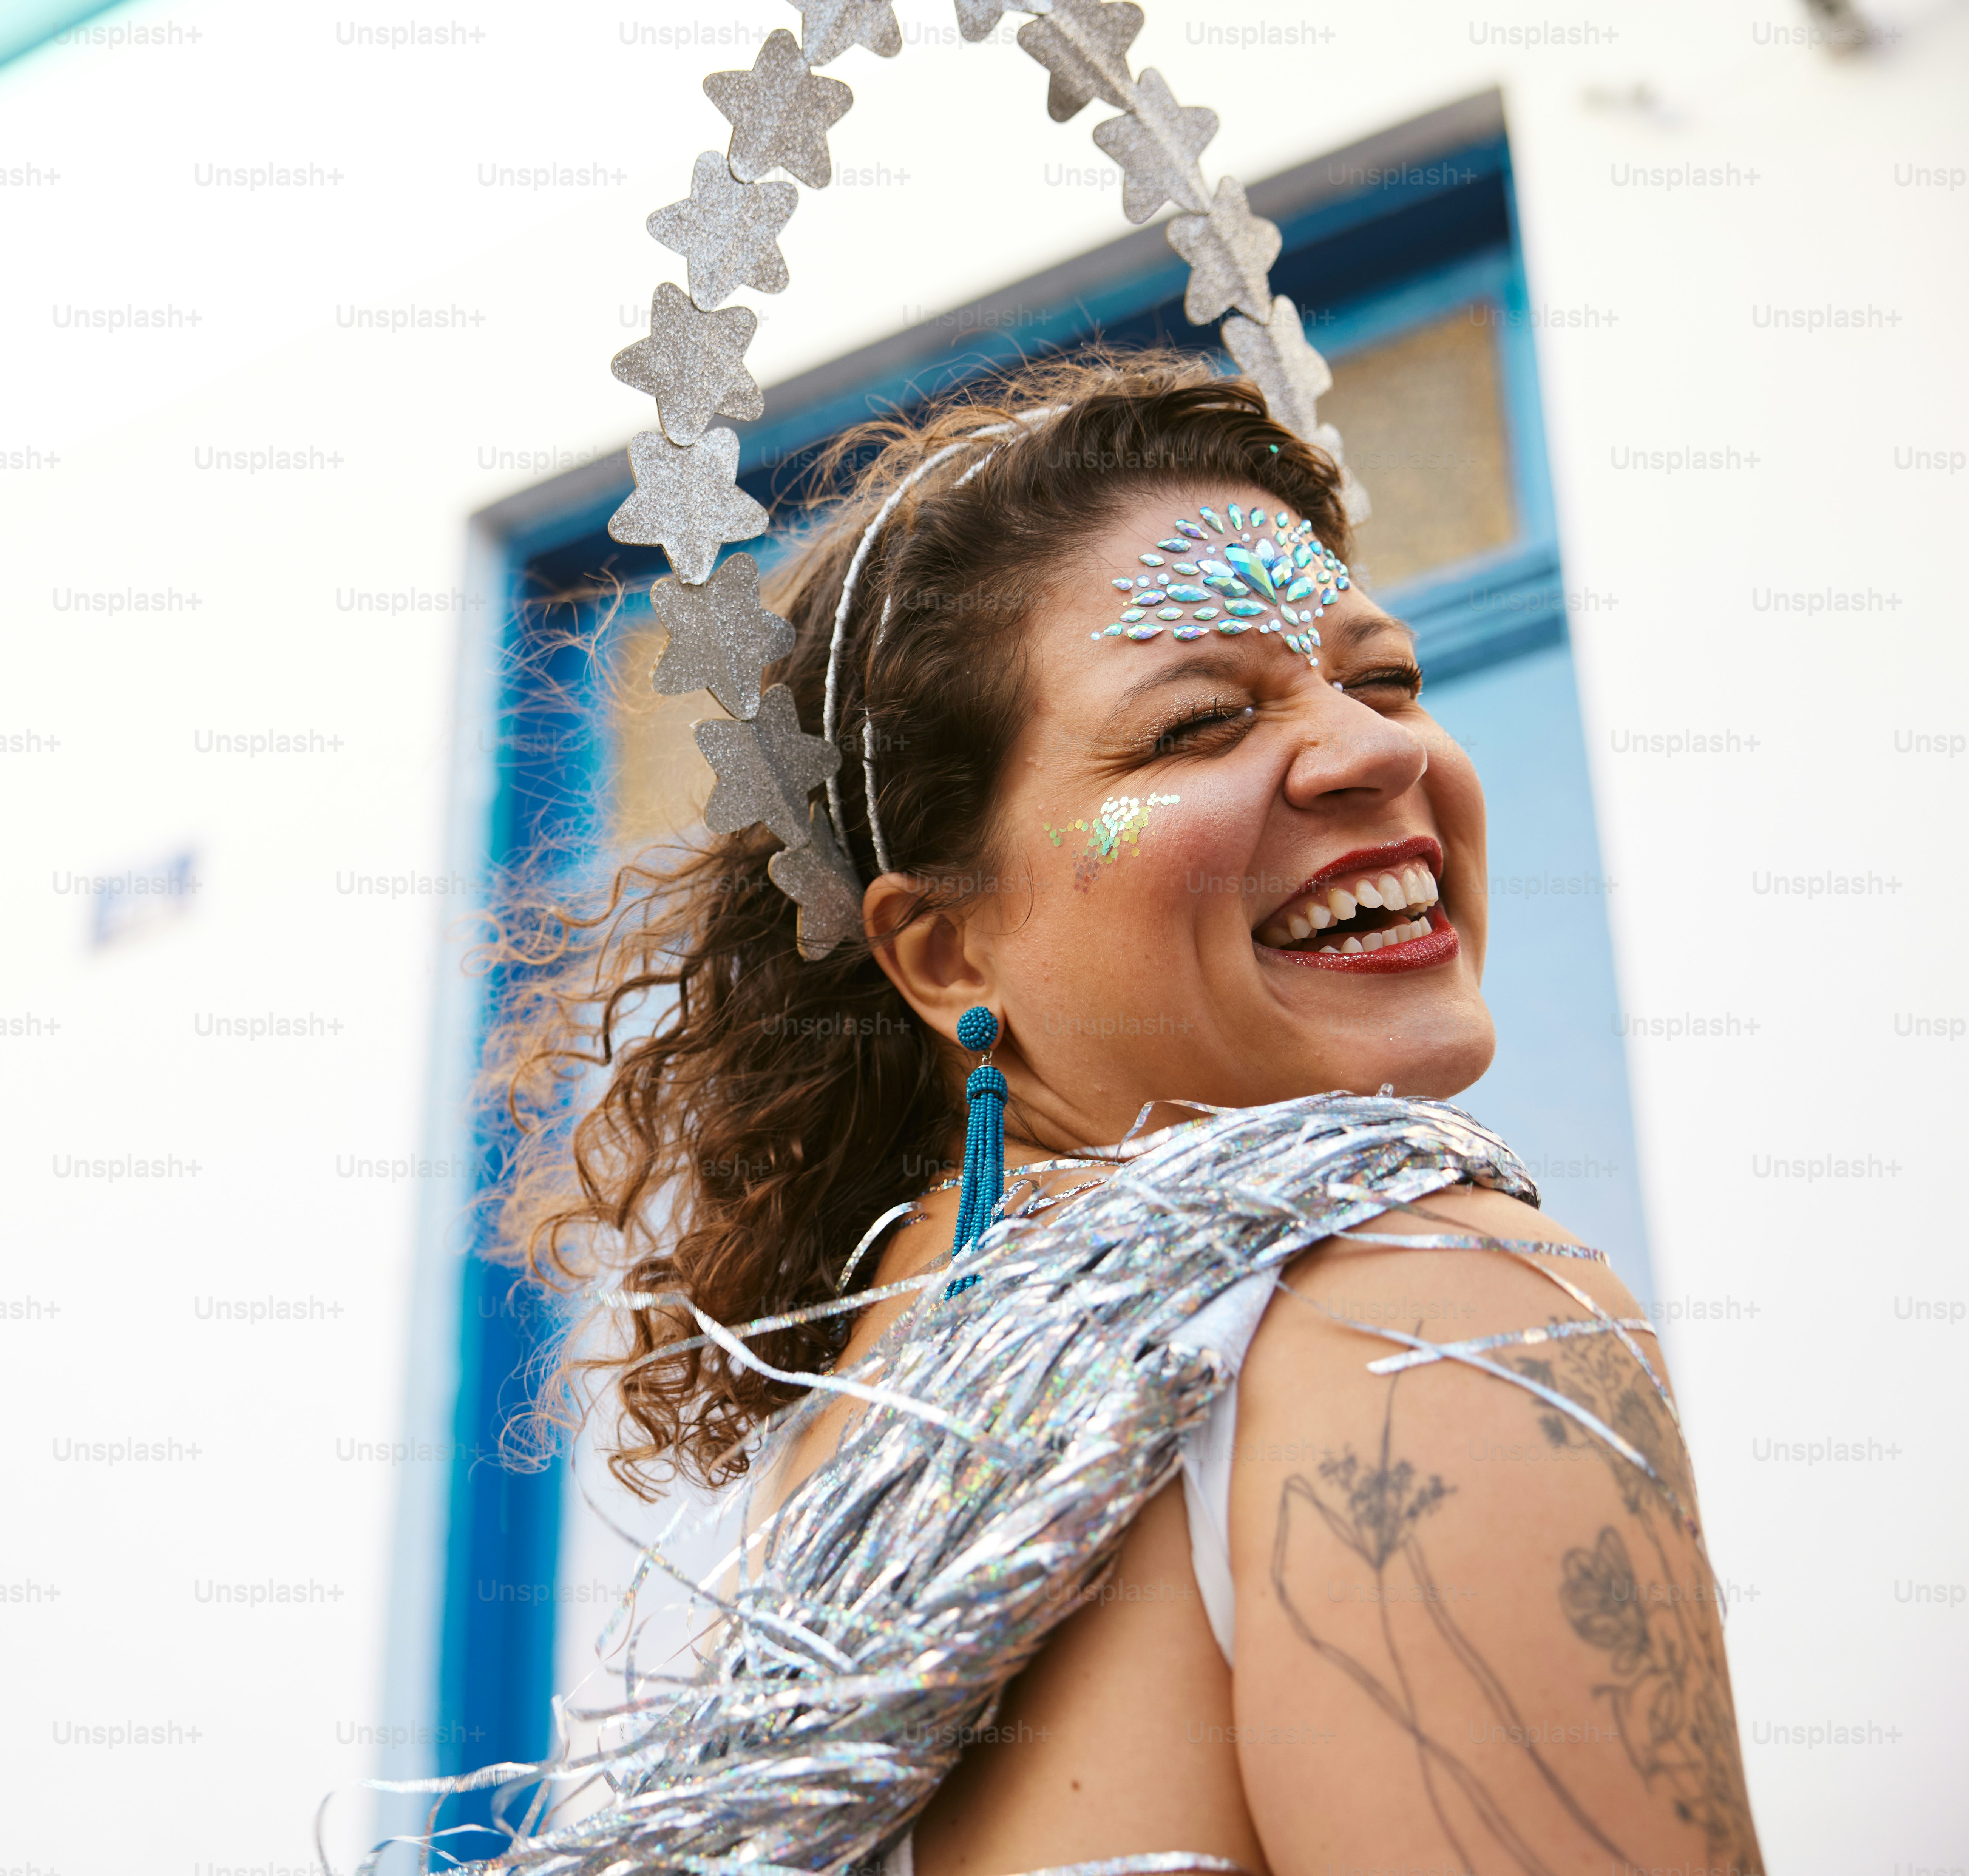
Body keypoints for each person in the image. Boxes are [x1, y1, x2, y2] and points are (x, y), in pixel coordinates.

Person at [477, 353, 1757, 1876]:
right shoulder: (1429, 1308)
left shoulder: (866, 1437)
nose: (1377, 750)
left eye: (1387, 679)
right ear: (949, 951)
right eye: (1201, 721)